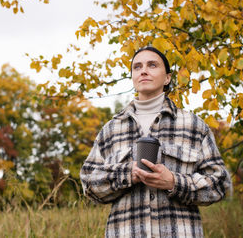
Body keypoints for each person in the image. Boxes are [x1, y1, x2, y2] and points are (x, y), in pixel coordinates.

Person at [80, 46, 232, 237]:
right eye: (137, 67)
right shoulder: (110, 130)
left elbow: (219, 184)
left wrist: (174, 182)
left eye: (152, 65)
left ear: (167, 78)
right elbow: (89, 184)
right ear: (133, 76)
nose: (143, 70)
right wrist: (127, 174)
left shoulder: (194, 126)